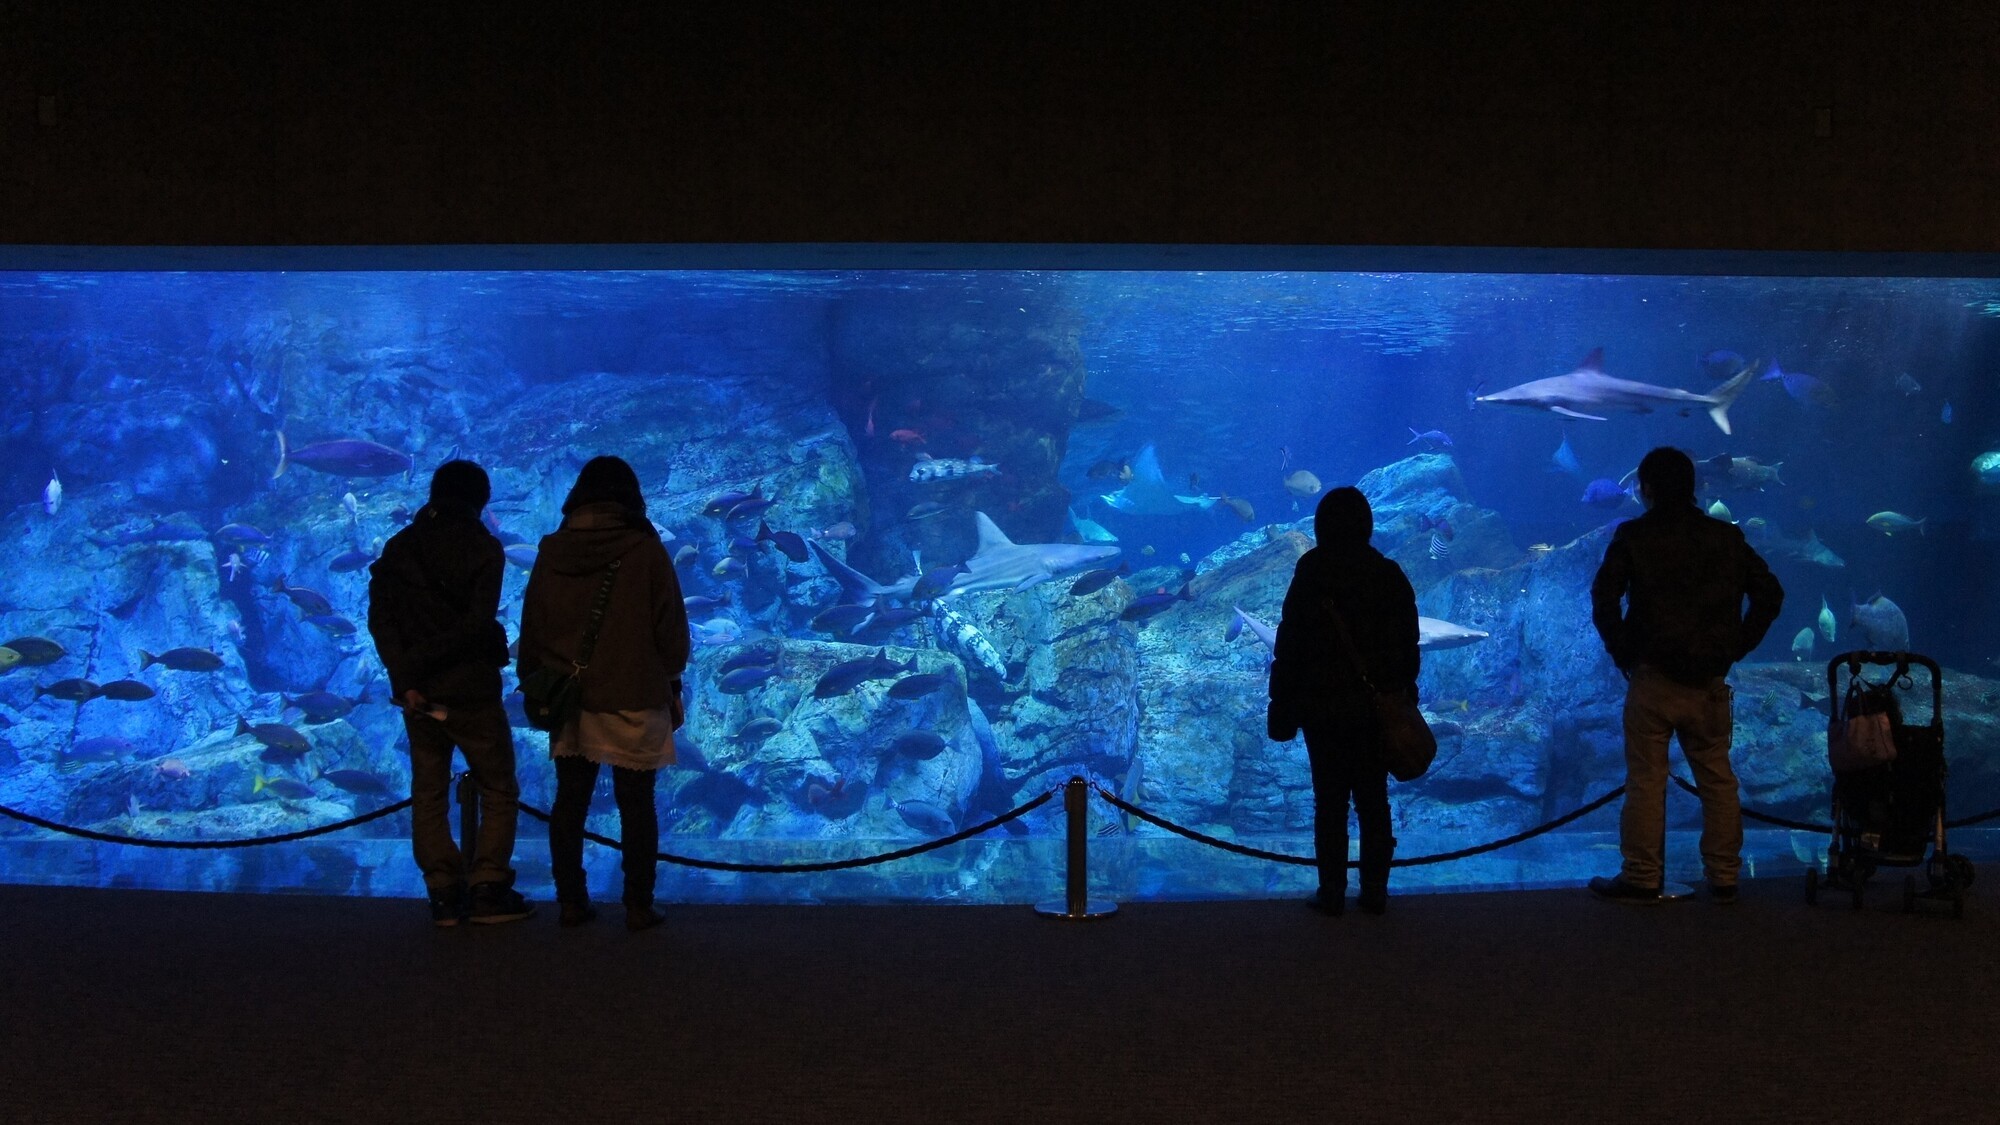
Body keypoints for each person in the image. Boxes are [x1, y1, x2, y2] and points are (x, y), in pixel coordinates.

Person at [1589, 446, 1784, 904]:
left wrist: (1624, 653)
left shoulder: (1634, 535)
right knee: (1717, 777)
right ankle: (1724, 874)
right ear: (1694, 487)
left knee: (1646, 780)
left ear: (1646, 488)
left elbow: (1604, 598)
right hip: (1708, 682)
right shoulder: (1725, 538)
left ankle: (1641, 874)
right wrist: (1735, 648)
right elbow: (1770, 595)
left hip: (1652, 678)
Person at [519, 456, 690, 931]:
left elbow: (531, 625)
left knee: (570, 800)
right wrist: (671, 678)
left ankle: (571, 901)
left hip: (571, 697)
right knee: (637, 802)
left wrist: (533, 681)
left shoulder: (552, 552)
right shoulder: (646, 550)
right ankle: (638, 904)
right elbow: (671, 629)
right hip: (635, 692)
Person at [366, 459, 532, 926]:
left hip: (416, 693)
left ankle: (442, 893)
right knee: (498, 786)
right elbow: (475, 624)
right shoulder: (484, 549)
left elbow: (381, 620)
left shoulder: (399, 548)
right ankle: (487, 887)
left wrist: (406, 677)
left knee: (429, 790)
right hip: (471, 689)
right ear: (479, 500)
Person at [1269, 486, 1420, 916]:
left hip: (1322, 709)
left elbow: (1290, 643)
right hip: (1375, 712)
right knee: (1374, 800)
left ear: (1320, 526)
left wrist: (1282, 705)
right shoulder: (1388, 574)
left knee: (1329, 801)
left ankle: (1332, 889)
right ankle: (1375, 889)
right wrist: (1403, 696)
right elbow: (1407, 647)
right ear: (1367, 526)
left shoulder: (1312, 571)